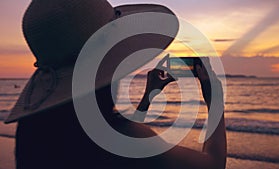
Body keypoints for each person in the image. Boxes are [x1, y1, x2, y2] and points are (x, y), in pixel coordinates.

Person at [5, 0, 226, 169]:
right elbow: (213, 164)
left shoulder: (33, 128)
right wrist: (215, 102)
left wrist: (148, 98)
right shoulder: (120, 137)